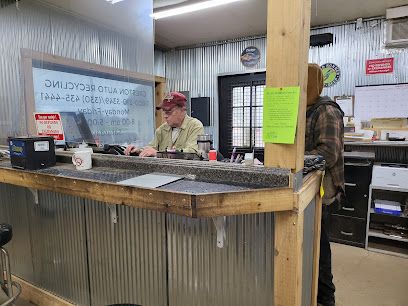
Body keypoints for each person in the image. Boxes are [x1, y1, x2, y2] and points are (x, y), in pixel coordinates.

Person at [305, 64, 345, 306]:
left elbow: (328, 154)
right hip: (308, 186)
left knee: (320, 249)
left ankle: (326, 299)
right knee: (310, 245)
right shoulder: (304, 108)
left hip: (323, 190)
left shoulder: (326, 111)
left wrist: (293, 159)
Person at [125, 91, 204, 157]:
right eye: (164, 112)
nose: (165, 116)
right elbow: (152, 148)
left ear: (182, 110)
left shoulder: (195, 126)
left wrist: (158, 154)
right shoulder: (161, 129)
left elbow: (192, 153)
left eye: (169, 112)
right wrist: (138, 151)